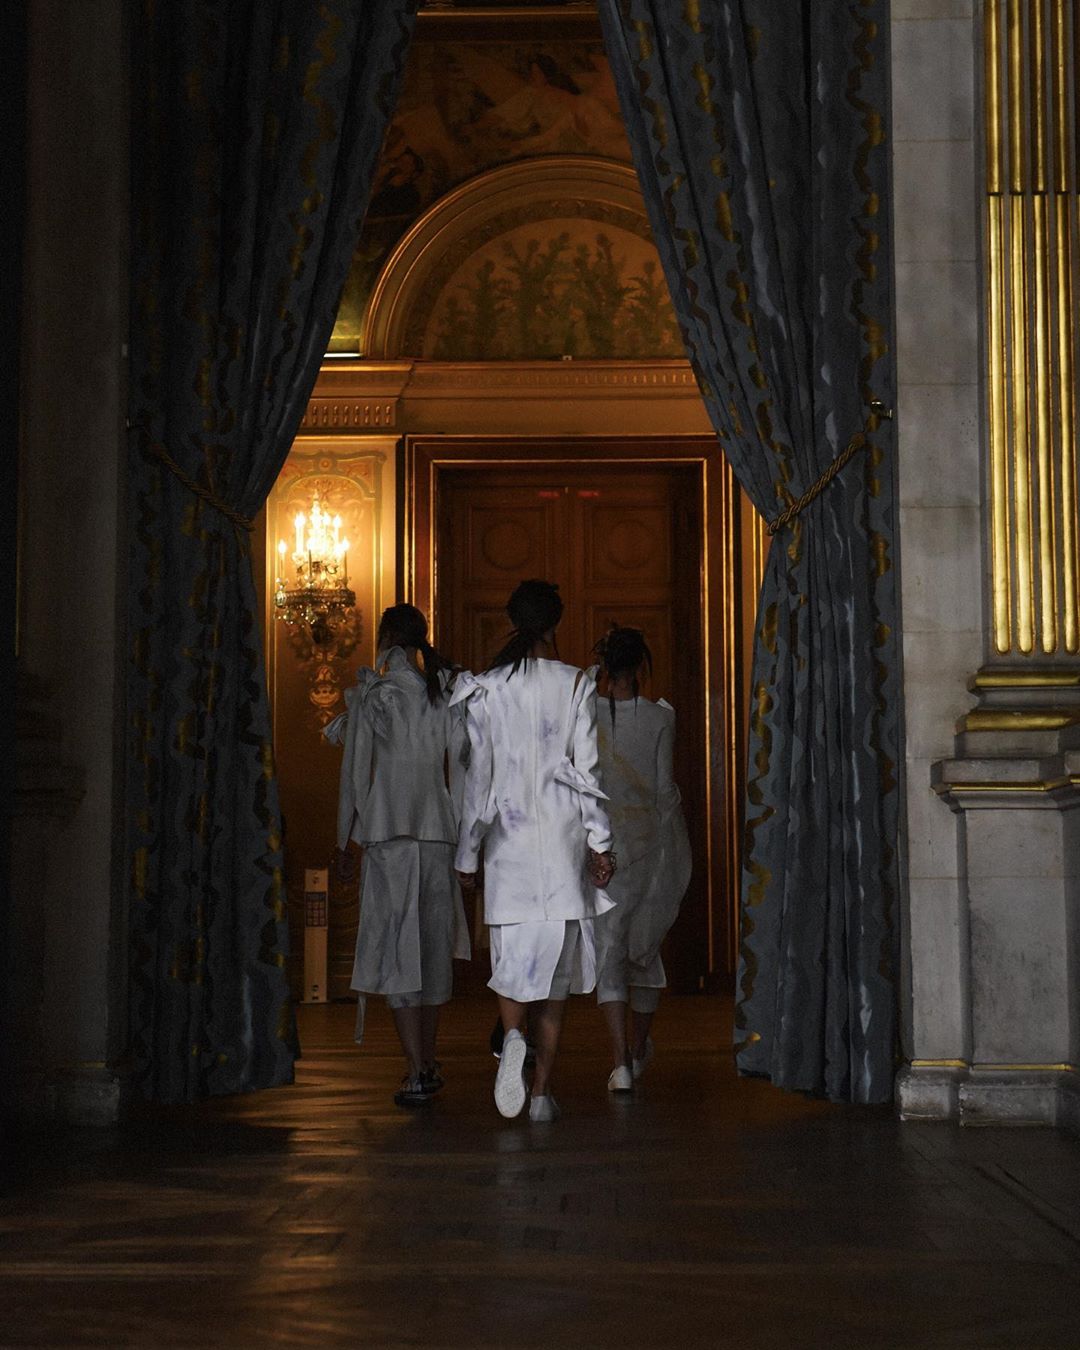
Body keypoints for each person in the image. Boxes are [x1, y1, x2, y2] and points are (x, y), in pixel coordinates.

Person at [452, 579, 616, 1123]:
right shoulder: (574, 684)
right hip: (563, 851)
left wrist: (467, 857)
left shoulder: (489, 688)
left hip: (509, 852)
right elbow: (587, 772)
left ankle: (512, 1036)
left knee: (513, 971)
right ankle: (541, 1095)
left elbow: (478, 783)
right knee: (556, 988)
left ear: (512, 618)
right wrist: (601, 844)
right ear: (555, 623)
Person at [325, 604, 470, 1108]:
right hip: (436, 835)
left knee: (397, 952)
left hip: (390, 837)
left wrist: (345, 841)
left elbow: (355, 776)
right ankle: (426, 1061)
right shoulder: (442, 696)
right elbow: (463, 774)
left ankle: (415, 1070)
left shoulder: (375, 696)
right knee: (430, 955)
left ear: (386, 638)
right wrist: (467, 844)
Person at [589, 627, 691, 1091]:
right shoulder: (659, 718)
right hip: (649, 842)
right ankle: (636, 1048)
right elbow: (665, 789)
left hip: (603, 845)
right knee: (644, 952)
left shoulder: (587, 713)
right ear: (640, 667)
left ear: (606, 668)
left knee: (610, 949)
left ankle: (618, 1063)